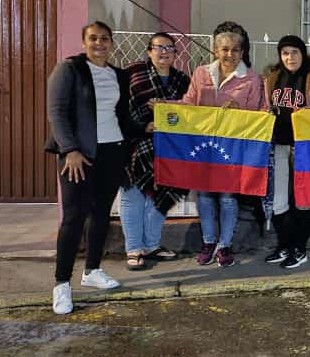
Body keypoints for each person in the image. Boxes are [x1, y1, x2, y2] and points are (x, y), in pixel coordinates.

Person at [45, 21, 150, 314]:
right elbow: (57, 113)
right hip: (79, 155)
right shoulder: (69, 69)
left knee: (101, 213)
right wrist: (70, 150)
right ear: (84, 42)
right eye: (93, 38)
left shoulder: (118, 75)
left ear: (111, 43)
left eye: (104, 39)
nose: (99, 43)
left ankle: (92, 270)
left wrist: (145, 126)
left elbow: (122, 116)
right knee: (74, 217)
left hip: (112, 151)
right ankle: (61, 283)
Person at [181, 31, 266, 268]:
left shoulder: (252, 78)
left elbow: (257, 113)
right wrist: (164, 109)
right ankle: (208, 242)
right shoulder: (201, 73)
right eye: (225, 49)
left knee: (228, 197)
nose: (230, 54)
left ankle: (224, 245)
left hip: (233, 147)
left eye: (235, 49)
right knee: (204, 195)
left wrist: (239, 108)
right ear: (216, 51)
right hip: (204, 144)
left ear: (242, 52)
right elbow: (188, 103)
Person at [262, 35, 310, 269]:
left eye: (294, 52)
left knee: (304, 200)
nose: (290, 57)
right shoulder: (273, 77)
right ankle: (285, 245)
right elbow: (265, 106)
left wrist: (308, 113)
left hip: (306, 147)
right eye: (285, 53)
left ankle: (300, 249)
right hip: (280, 144)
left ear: (302, 54)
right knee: (278, 201)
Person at [119, 33, 191, 271]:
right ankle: (133, 249)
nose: (164, 52)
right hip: (136, 144)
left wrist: (167, 107)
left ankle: (151, 245)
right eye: (159, 47)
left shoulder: (182, 80)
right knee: (133, 196)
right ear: (149, 51)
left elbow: (191, 111)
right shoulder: (133, 74)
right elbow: (120, 109)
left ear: (176, 54)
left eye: (169, 48)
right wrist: (143, 126)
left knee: (162, 195)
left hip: (170, 146)